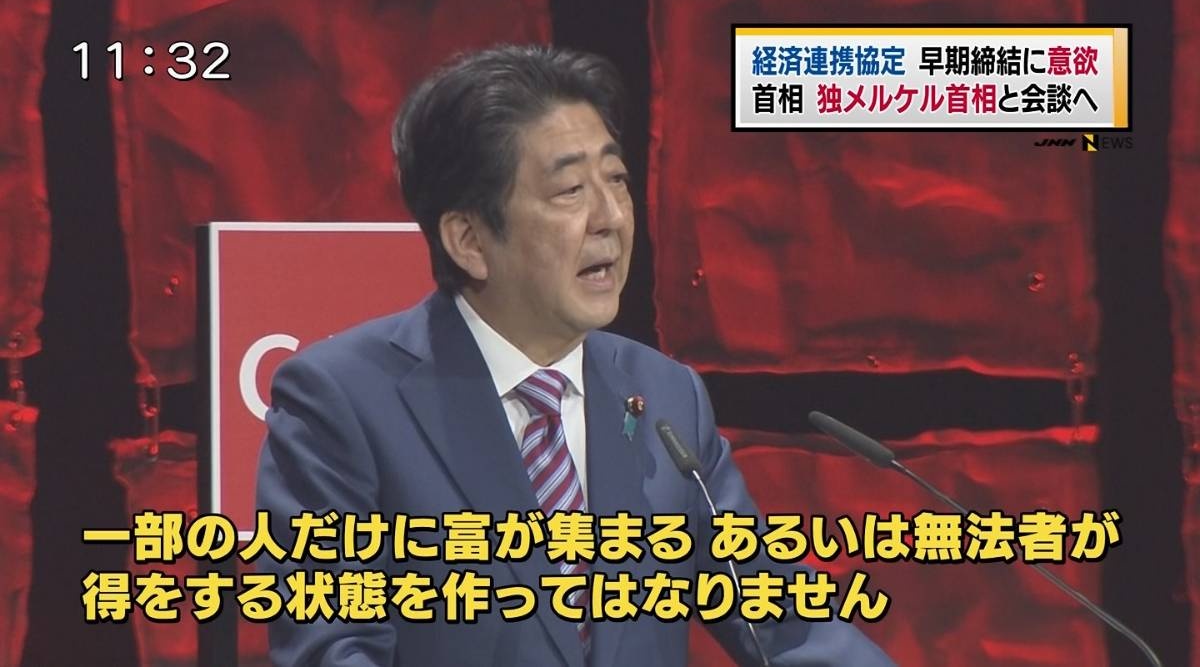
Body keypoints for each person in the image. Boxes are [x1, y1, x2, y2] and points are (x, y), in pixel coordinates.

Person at [256, 44, 894, 667]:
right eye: (569, 190)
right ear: (469, 240)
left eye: (616, 180)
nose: (611, 216)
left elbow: (781, 619)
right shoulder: (342, 403)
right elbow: (331, 645)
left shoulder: (665, 395)